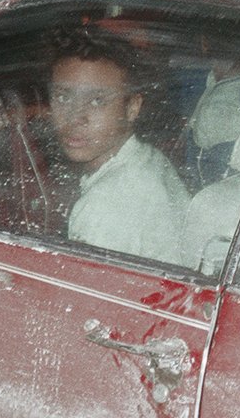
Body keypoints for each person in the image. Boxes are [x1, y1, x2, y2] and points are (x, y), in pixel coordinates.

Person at [47, 28, 190, 266]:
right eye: (63, 97)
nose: (75, 117)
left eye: (97, 101)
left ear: (132, 108)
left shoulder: (104, 208)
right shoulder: (147, 158)